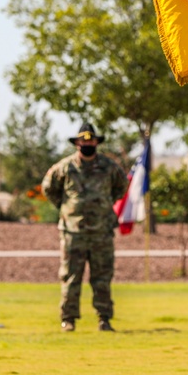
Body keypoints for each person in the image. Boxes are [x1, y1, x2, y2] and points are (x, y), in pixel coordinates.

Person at [42, 122, 128, 332]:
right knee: (71, 277)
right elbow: (48, 188)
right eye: (83, 140)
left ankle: (104, 319)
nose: (87, 143)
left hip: (101, 232)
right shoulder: (65, 167)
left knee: (102, 278)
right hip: (74, 232)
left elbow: (121, 188)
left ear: (97, 142)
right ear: (77, 143)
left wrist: (104, 204)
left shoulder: (109, 167)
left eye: (91, 140)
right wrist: (65, 207)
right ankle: (68, 319)